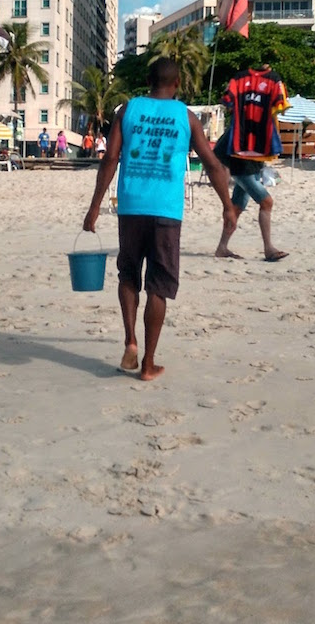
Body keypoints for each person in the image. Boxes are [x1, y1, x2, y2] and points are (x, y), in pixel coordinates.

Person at [83, 57, 237, 382]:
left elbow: (111, 158)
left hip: (131, 206)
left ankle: (130, 340)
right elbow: (212, 165)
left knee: (128, 275)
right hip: (166, 211)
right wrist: (227, 206)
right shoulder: (187, 116)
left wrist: (95, 206)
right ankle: (148, 364)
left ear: (148, 81)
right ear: (178, 83)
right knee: (159, 286)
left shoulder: (127, 110)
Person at [214, 65, 289, 264]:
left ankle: (222, 247)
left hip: (251, 156)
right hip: (242, 156)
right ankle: (268, 249)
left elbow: (227, 102)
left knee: (237, 206)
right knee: (266, 202)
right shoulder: (259, 80)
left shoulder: (267, 81)